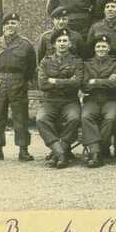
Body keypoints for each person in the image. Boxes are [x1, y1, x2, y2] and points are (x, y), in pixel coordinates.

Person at [0, 12, 36, 162]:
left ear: (18, 25)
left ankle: (23, 149)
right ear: (3, 26)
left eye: (13, 23)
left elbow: (32, 66)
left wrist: (22, 80)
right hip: (0, 81)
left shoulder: (26, 44)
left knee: (20, 116)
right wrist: (0, 78)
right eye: (7, 24)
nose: (10, 26)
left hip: (18, 80)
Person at [36, 28, 83, 169]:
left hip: (70, 101)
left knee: (74, 118)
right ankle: (61, 153)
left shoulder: (77, 61)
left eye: (65, 41)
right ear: (54, 44)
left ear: (70, 44)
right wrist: (67, 81)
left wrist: (54, 81)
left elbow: (77, 83)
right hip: (50, 101)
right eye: (59, 41)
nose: (62, 43)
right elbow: (42, 84)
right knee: (41, 119)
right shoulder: (45, 62)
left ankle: (57, 153)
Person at [80, 35, 116, 168]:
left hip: (111, 99)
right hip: (92, 99)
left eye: (104, 46)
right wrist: (107, 81)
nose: (101, 49)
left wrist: (95, 81)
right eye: (98, 46)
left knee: (110, 118)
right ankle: (97, 152)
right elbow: (84, 85)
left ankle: (98, 150)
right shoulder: (87, 64)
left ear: (109, 48)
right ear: (94, 48)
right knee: (86, 116)